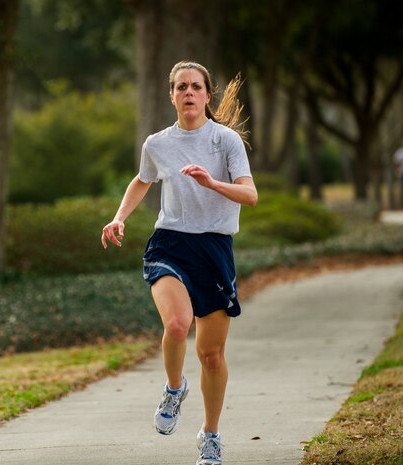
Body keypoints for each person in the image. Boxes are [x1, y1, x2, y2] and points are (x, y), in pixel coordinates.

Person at [101, 61, 257, 465]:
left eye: (196, 86)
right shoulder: (157, 144)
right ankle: (174, 388)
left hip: (215, 249)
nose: (188, 92)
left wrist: (211, 183)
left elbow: (250, 195)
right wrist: (119, 217)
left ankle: (210, 435)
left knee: (211, 356)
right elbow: (142, 179)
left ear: (207, 95)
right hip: (169, 244)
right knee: (176, 323)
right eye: (181, 86)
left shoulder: (225, 142)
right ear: (172, 95)